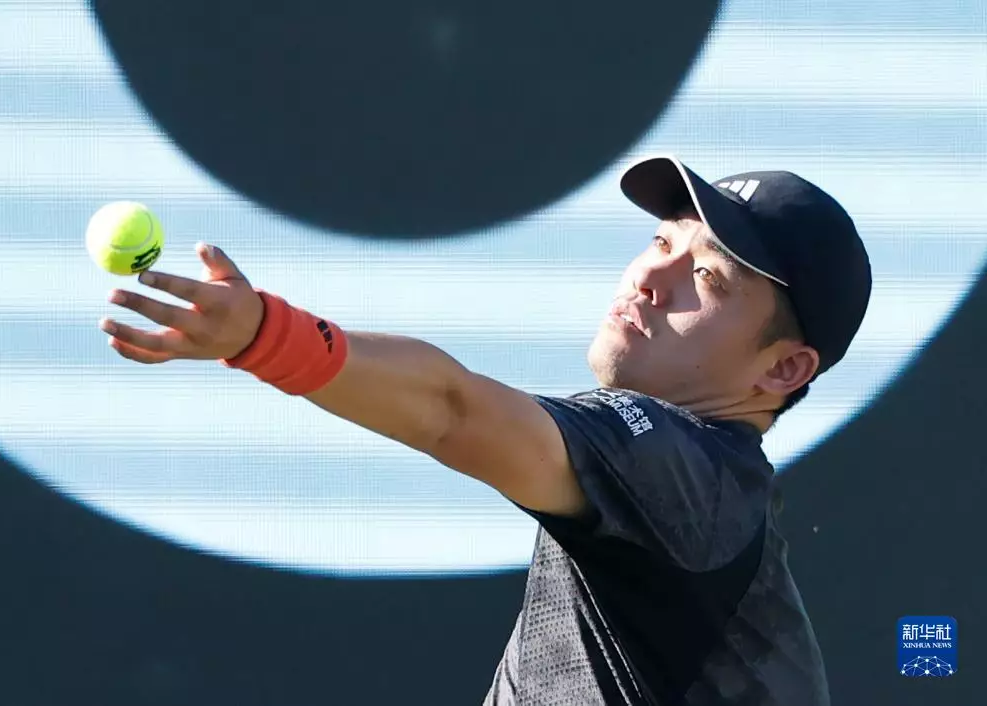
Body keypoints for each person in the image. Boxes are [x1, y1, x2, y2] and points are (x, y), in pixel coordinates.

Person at [98, 154, 872, 705]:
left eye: (707, 278)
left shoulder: (683, 474)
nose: (648, 277)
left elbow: (452, 411)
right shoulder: (696, 487)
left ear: (782, 369)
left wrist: (268, 337)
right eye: (662, 242)